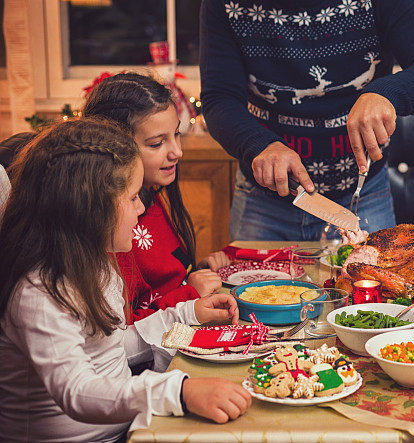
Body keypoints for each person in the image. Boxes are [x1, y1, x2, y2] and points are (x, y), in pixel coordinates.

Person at [0, 119, 250, 442]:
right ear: (90, 210)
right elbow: (77, 390)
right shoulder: (38, 293)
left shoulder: (97, 264)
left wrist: (188, 316)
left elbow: (115, 347)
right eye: (133, 197)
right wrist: (178, 391)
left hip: (126, 432)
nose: (141, 207)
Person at [200, 0, 414, 240]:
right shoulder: (224, 4)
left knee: (372, 289)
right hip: (264, 202)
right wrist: (258, 144)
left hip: (362, 197)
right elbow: (219, 97)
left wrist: (386, 93)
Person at [83, 73, 231, 322]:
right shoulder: (112, 224)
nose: (177, 151)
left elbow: (162, 280)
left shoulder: (149, 192)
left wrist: (196, 274)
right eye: (156, 143)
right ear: (114, 147)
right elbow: (124, 329)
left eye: (177, 134)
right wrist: (189, 292)